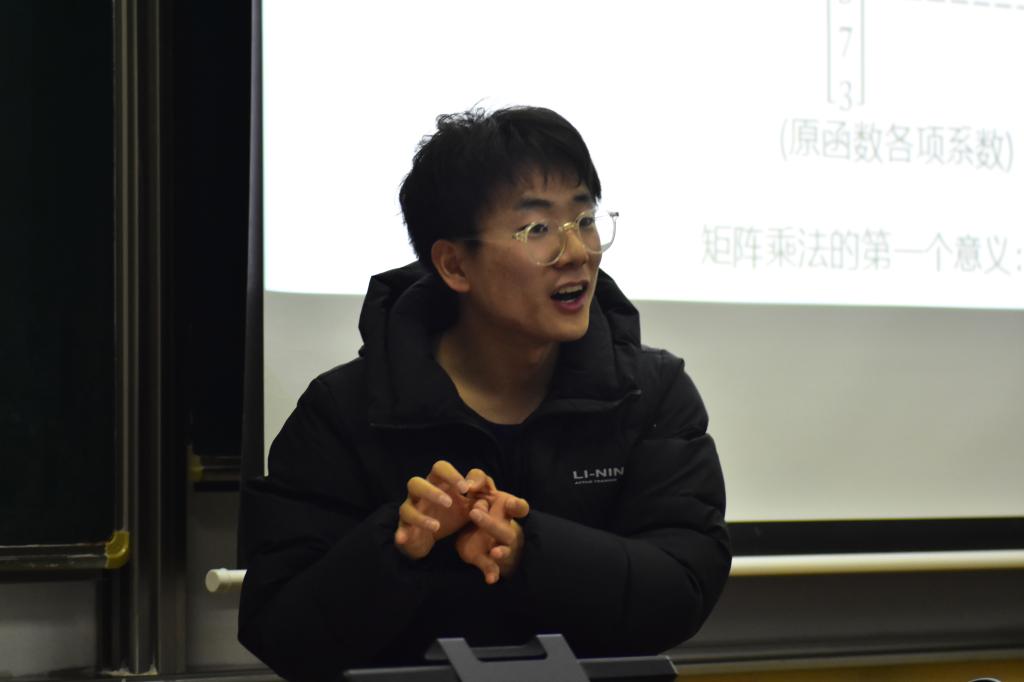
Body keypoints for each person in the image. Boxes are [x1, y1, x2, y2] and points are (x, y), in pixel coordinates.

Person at [238, 106, 731, 680]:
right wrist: (398, 546)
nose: (578, 252)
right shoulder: (345, 411)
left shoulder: (650, 394)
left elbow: (683, 586)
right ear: (454, 265)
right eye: (538, 229)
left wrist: (527, 550)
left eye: (585, 219)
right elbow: (280, 630)